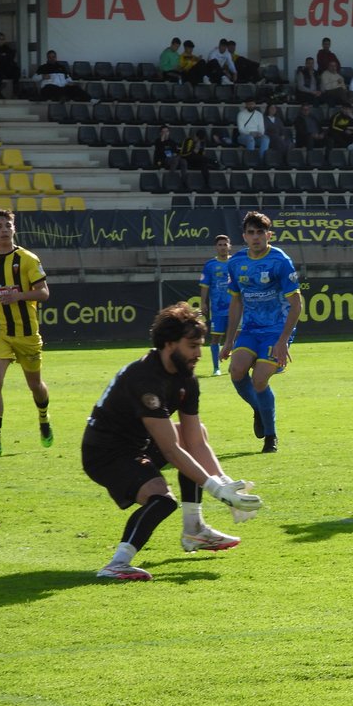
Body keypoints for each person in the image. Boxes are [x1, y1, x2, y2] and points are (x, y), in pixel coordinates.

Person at [82, 302, 263, 581]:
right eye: (192, 346)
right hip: (105, 454)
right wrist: (216, 489)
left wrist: (226, 484)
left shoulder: (185, 379)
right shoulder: (145, 379)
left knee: (198, 432)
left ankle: (195, 529)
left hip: (136, 444)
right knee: (162, 500)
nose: (198, 354)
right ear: (169, 344)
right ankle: (118, 563)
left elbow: (194, 441)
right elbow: (171, 450)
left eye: (200, 345)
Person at [220, 211, 303, 454]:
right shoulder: (236, 263)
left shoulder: (280, 261)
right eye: (250, 233)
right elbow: (236, 302)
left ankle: (271, 435)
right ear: (244, 236)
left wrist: (283, 340)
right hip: (251, 329)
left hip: (276, 330)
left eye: (260, 232)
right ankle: (259, 408)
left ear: (269, 235)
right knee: (236, 371)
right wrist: (228, 341)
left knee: (259, 379)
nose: (255, 237)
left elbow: (296, 303)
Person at [0, 209, 53, 457]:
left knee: (34, 385)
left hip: (26, 332)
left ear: (14, 229)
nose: (4, 229)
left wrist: (19, 295)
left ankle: (44, 417)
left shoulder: (27, 259)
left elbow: (44, 293)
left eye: (7, 225)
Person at [198, 235, 232, 376]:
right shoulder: (210, 265)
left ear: (229, 246)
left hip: (235, 307)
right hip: (217, 309)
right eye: (220, 244)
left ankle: (234, 366)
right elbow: (205, 286)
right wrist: (203, 303)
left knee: (235, 337)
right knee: (216, 338)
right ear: (216, 247)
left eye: (225, 244)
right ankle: (216, 367)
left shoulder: (235, 262)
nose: (223, 247)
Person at [0, 32, 20, 99]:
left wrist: (3, 57)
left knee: (16, 70)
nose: (1, 41)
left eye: (3, 39)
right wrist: (3, 57)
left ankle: (15, 92)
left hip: (7, 68)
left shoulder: (6, 47)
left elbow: (11, 56)